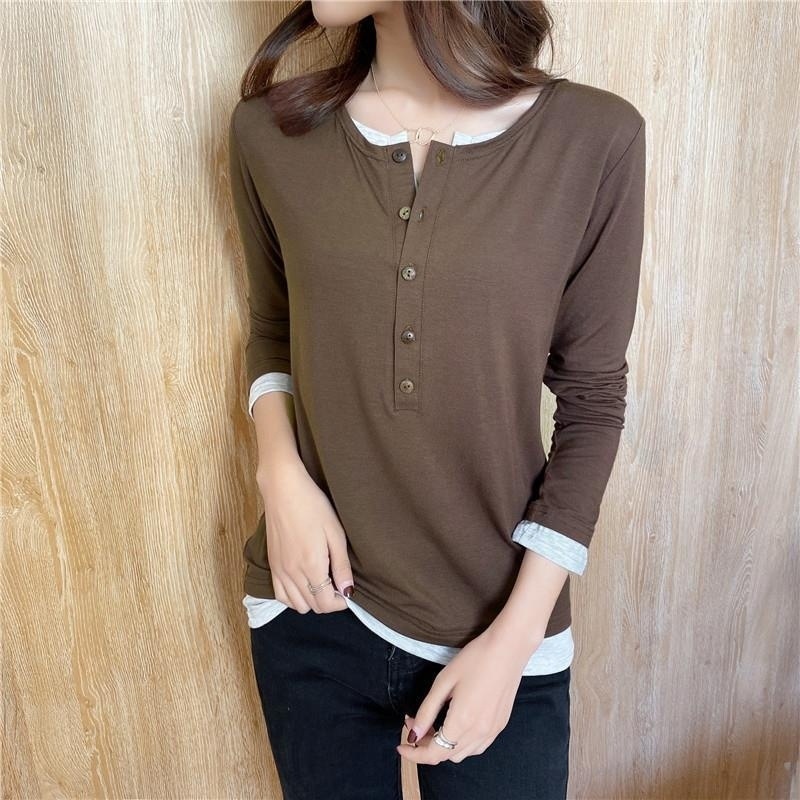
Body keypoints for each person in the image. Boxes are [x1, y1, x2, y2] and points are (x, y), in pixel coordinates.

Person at [227, 2, 646, 798]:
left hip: (500, 627)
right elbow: (274, 328)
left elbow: (592, 397)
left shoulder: (595, 138)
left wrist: (513, 643)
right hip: (311, 608)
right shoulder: (269, 131)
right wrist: (279, 477)